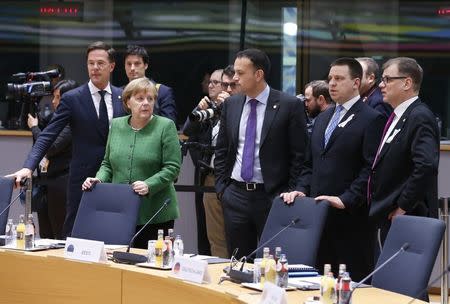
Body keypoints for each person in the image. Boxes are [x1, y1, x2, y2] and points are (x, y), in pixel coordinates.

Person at [281, 57, 384, 281]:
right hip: (318, 215)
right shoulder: (323, 118)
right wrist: (301, 189)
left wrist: (346, 199)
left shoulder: (372, 118)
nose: (332, 84)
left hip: (350, 218)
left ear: (356, 82)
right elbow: (309, 164)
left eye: (339, 79)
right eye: (330, 79)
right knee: (318, 281)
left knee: (350, 284)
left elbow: (371, 169)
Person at [8, 41, 126, 237]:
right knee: (75, 235)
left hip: (116, 177)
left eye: (100, 63)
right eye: (90, 63)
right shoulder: (73, 98)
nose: (95, 68)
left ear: (111, 66)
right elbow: (48, 135)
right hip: (81, 178)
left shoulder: (122, 97)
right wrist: (28, 166)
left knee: (113, 236)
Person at [214, 48, 307, 258]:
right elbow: (222, 149)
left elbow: (299, 155)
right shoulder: (231, 104)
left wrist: (290, 190)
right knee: (237, 261)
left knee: (271, 262)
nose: (234, 78)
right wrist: (222, 188)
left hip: (272, 196)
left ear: (258, 74)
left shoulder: (289, 105)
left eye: (240, 73)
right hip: (235, 195)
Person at [82, 77, 181, 249]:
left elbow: (172, 167)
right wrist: (99, 179)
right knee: (118, 260)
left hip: (154, 211)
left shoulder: (166, 126)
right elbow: (107, 164)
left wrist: (149, 184)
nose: (146, 103)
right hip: (119, 209)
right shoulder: (117, 125)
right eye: (140, 98)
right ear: (128, 101)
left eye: (150, 99)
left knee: (149, 265)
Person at [368, 57, 439, 250]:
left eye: (388, 79)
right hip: (389, 213)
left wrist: (403, 206)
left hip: (408, 216)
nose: (381, 85)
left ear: (407, 83)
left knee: (398, 278)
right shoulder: (397, 116)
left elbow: (426, 165)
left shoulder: (419, 116)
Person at [182, 65, 240, 258]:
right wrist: (200, 109)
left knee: (238, 236)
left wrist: (229, 109)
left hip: (237, 180)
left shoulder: (242, 109)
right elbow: (188, 130)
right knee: (214, 237)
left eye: (228, 85)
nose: (223, 89)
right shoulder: (211, 109)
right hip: (210, 176)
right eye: (220, 84)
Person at [27, 79, 78, 239]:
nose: (54, 101)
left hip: (62, 183)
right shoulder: (54, 119)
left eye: (58, 97)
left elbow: (51, 147)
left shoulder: (72, 122)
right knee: (45, 236)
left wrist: (34, 128)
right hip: (46, 182)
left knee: (60, 234)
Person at [124, 45, 177, 123]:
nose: (132, 68)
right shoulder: (119, 92)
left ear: (145, 65)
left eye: (137, 63)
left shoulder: (162, 91)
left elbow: (170, 124)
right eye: (129, 64)